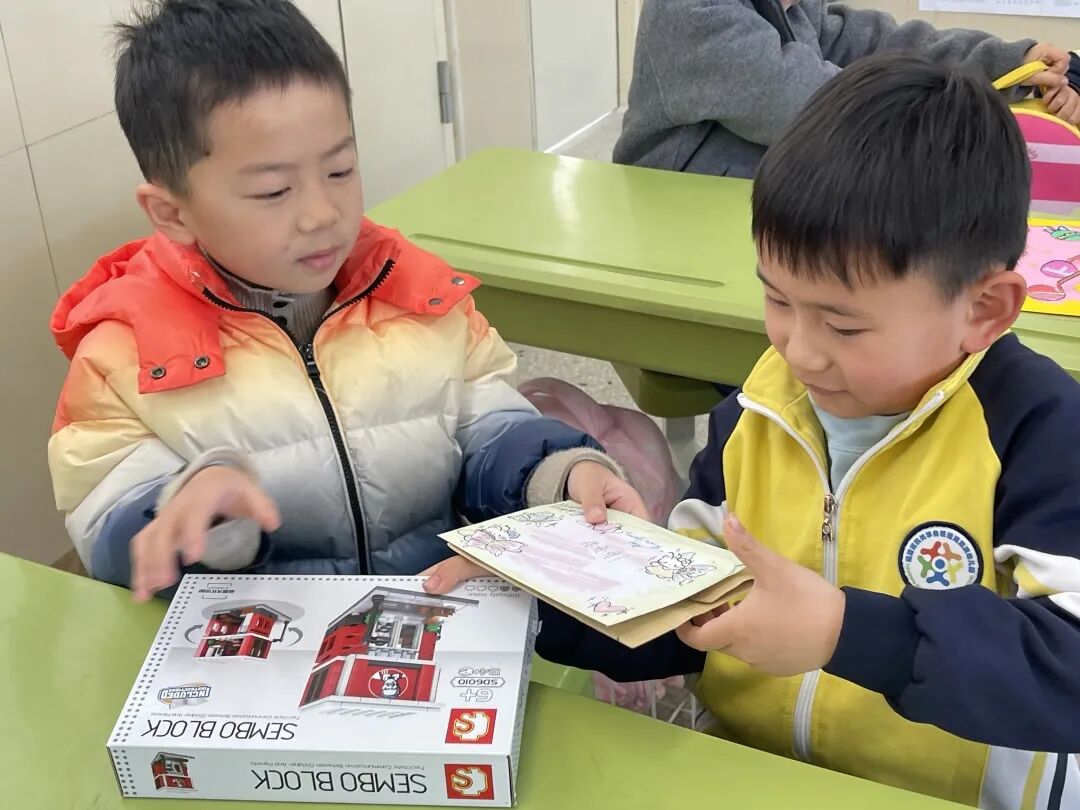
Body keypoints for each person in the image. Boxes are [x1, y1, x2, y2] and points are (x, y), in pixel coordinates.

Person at [427, 54, 1080, 807]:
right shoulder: (758, 409)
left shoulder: (1039, 430)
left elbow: (1065, 668)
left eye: (843, 324)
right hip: (749, 774)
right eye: (777, 300)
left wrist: (845, 632)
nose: (799, 350)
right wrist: (552, 593)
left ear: (984, 310)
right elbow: (688, 614)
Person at [47, 0, 647, 602]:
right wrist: (200, 518)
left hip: (433, 616)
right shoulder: (126, 355)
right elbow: (105, 522)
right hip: (271, 637)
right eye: (274, 191)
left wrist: (558, 471)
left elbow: (488, 427)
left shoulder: (417, 294)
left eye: (340, 171)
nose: (321, 214)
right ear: (172, 213)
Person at [613, 0, 1077, 179]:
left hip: (760, 188)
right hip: (673, 200)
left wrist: (1011, 63)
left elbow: (884, 44)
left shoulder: (795, 7)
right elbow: (819, 104)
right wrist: (955, 110)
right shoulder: (693, 12)